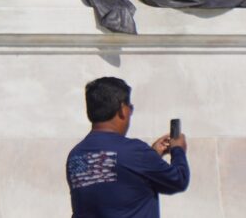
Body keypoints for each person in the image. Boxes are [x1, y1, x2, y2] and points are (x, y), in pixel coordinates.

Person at [66, 77, 189, 218]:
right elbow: (179, 180)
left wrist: (152, 155)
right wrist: (178, 149)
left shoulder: (75, 156)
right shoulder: (135, 152)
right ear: (121, 110)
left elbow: (116, 182)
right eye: (129, 106)